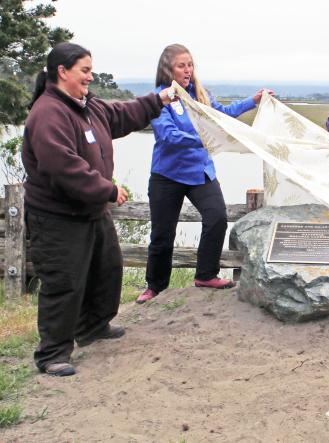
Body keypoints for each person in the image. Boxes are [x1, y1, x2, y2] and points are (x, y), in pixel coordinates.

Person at [22, 42, 175, 376]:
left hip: (90, 210)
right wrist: (107, 189)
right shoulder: (49, 112)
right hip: (58, 216)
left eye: (91, 70)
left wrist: (159, 99)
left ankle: (93, 327)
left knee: (106, 269)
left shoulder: (87, 106)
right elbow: (63, 165)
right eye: (85, 71)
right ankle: (52, 354)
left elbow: (122, 115)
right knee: (65, 282)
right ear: (62, 72)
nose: (90, 77)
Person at [136, 44, 272, 304]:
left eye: (190, 65)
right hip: (167, 175)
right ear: (168, 69)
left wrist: (252, 102)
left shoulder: (200, 94)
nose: (187, 70)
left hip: (200, 171)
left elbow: (221, 115)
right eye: (181, 65)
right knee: (163, 234)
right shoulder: (159, 98)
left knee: (217, 217)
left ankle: (206, 274)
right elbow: (168, 135)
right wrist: (205, 139)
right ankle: (155, 287)